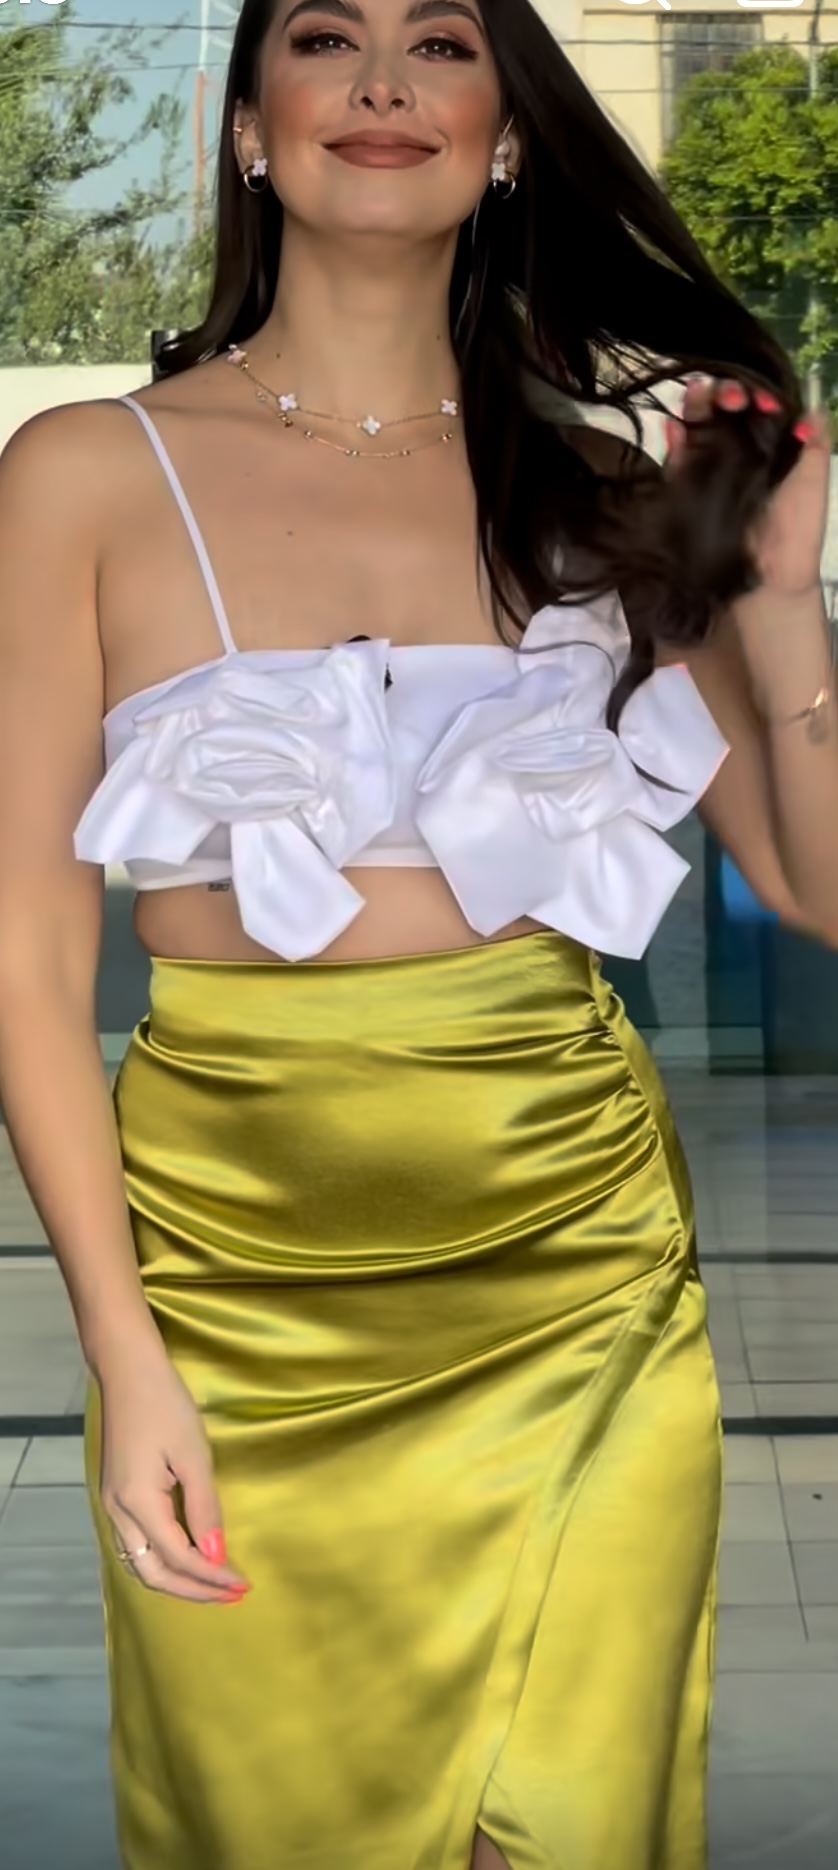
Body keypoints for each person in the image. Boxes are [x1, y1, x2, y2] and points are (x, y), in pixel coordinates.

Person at [0, 2, 836, 1867]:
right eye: (326, 35)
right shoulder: (81, 477)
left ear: (507, 134)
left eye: (442, 43)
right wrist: (127, 1355)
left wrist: (777, 599)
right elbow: (29, 970)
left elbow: (812, 886)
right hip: (230, 1286)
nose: (383, 81)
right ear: (247, 125)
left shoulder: (603, 498)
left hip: (577, 1274)